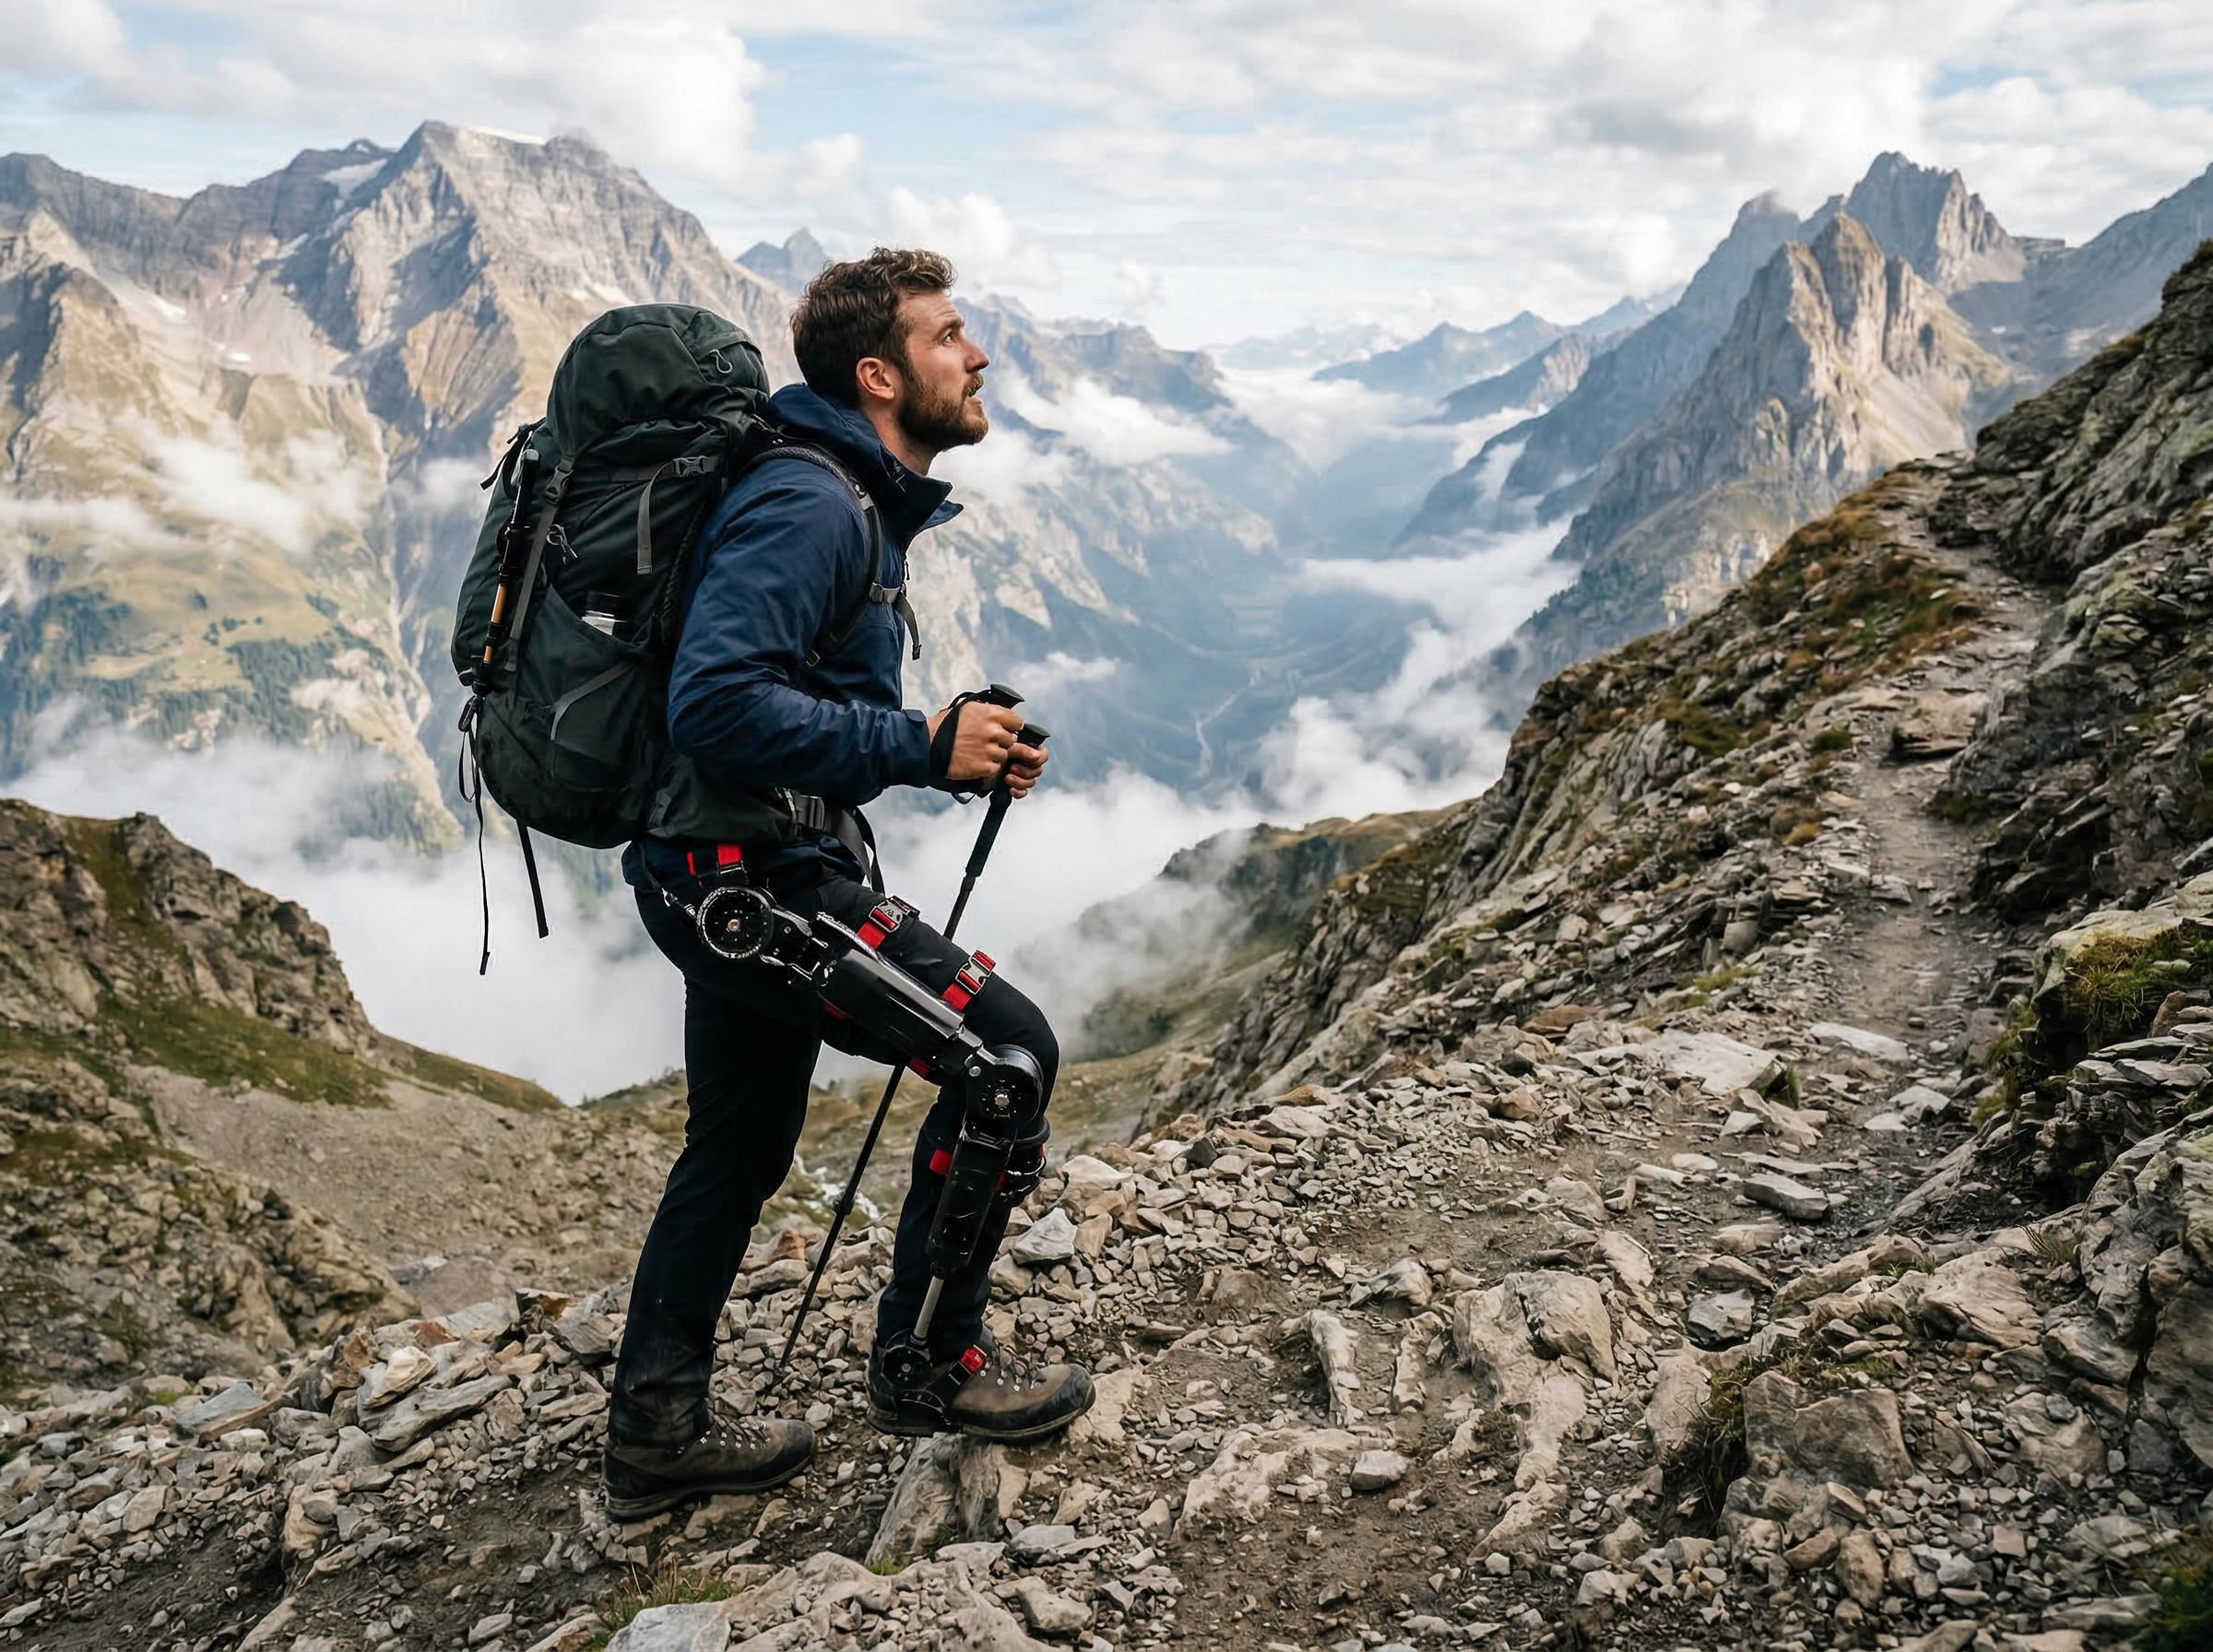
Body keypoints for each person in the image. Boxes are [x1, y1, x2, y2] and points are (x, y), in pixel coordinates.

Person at [601, 249, 1094, 1519]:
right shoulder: (816, 503)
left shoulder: (843, 491)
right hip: (749, 881)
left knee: (743, 1142)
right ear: (878, 376)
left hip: (730, 867)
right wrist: (920, 747)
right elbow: (716, 702)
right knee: (1007, 1063)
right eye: (949, 338)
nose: (978, 356)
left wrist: (940, 740)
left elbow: (786, 688)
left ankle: (656, 1431)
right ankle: (929, 1371)